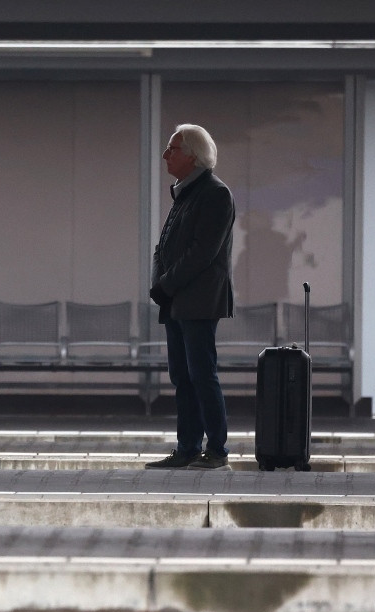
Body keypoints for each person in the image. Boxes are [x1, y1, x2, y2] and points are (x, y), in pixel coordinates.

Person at [145, 124, 235, 471]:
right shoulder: (185, 192)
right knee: (182, 376)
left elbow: (202, 253)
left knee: (201, 374)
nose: (166, 155)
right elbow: (163, 247)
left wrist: (165, 284)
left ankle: (217, 448)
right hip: (177, 298)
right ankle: (187, 447)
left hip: (198, 300)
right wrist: (160, 282)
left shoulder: (215, 193)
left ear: (193, 156)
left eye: (172, 149)